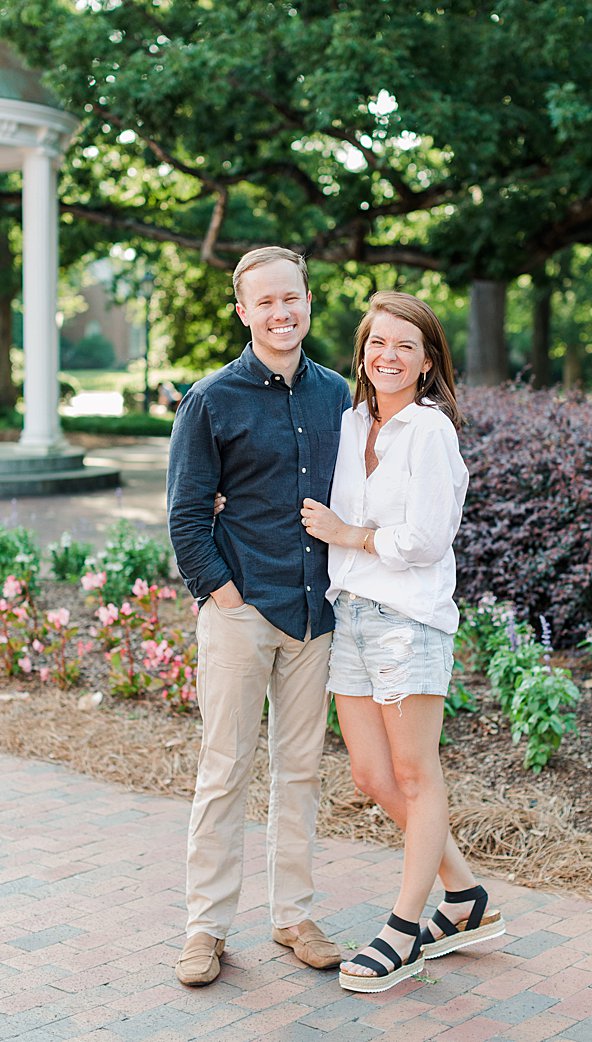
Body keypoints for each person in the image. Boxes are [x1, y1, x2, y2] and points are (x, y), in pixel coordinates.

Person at [298, 291, 504, 993]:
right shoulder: (351, 420)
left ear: (426, 363)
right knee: (371, 777)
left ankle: (405, 930)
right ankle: (467, 897)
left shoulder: (429, 431)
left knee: (416, 776)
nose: (388, 356)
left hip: (407, 618)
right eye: (377, 343)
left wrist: (347, 534)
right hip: (349, 614)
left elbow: (425, 540)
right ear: (361, 352)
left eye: (405, 347)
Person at [167, 246, 351, 986]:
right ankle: (204, 929)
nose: (281, 312)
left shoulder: (339, 394)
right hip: (243, 612)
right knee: (225, 771)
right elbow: (185, 515)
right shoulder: (211, 398)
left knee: (300, 772)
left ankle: (292, 917)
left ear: (309, 302)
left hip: (315, 614)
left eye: (292, 298)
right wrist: (224, 595)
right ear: (244, 311)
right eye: (265, 302)